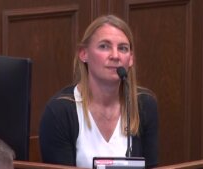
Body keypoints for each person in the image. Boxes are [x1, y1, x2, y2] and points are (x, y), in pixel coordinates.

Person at [39, 14, 159, 168]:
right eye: (104, 46)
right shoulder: (59, 111)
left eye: (123, 48)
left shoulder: (144, 104)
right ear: (84, 54)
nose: (115, 56)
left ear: (130, 59)